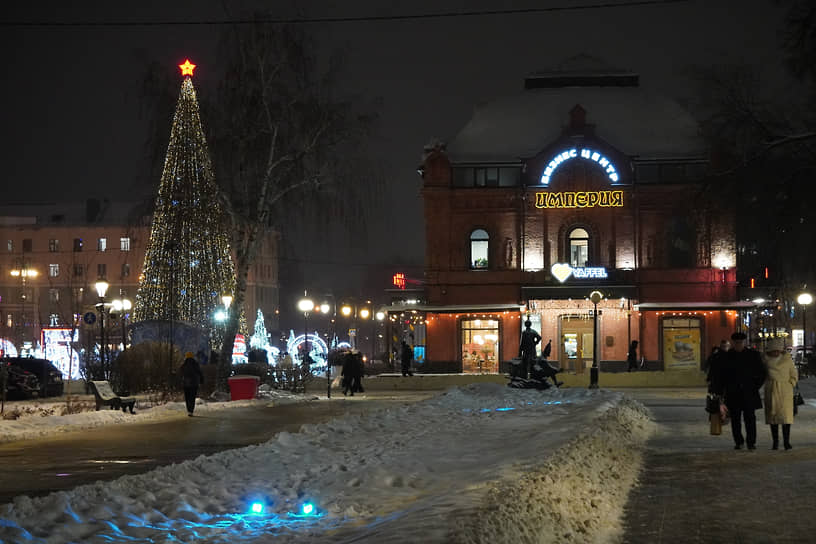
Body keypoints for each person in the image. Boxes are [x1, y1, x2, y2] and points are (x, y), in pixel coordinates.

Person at [716, 332, 767, 450]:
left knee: (750, 418)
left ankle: (751, 442)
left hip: (748, 392)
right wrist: (722, 391)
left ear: (744, 342)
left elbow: (761, 373)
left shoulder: (753, 355)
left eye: (740, 342)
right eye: (736, 343)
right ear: (733, 343)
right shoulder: (727, 356)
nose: (738, 345)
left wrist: (754, 386)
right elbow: (721, 376)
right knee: (735, 419)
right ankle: (739, 441)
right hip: (733, 393)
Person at [762, 337, 798, 450]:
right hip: (771, 390)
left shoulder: (787, 360)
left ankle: (786, 442)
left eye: (777, 350)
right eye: (773, 351)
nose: (775, 353)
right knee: (773, 419)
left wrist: (790, 384)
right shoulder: (765, 361)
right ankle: (775, 442)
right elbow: (762, 375)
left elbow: (794, 374)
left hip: (785, 391)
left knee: (786, 418)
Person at [180, 351, 204, 417]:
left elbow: (180, 373)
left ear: (186, 356)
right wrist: (201, 381)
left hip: (185, 384)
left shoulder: (183, 364)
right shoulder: (195, 364)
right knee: (192, 398)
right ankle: (191, 411)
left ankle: (188, 411)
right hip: (194, 384)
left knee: (187, 398)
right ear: (192, 356)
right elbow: (200, 372)